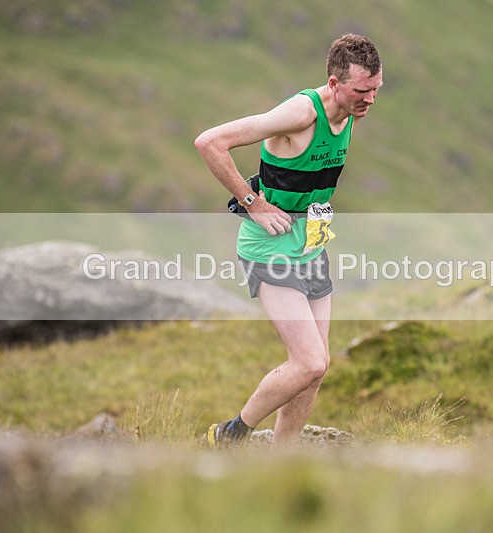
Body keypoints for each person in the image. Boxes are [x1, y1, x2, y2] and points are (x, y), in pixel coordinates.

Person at [194, 34, 383, 448]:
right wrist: (252, 203)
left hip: (311, 245)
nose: (369, 100)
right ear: (334, 84)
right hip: (270, 249)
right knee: (308, 362)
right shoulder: (300, 113)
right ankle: (230, 434)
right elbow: (209, 142)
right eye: (361, 91)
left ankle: (283, 459)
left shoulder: (350, 112)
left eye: (375, 90)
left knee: (318, 368)